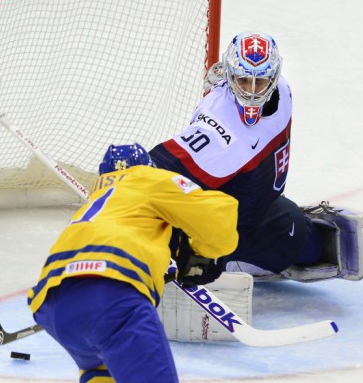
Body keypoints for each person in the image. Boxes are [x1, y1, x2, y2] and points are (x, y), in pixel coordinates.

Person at [149, 31, 363, 284]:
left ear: (273, 77)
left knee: (314, 248)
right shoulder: (218, 130)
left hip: (260, 204)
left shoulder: (282, 91)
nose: (252, 92)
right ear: (230, 77)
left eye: (259, 82)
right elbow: (155, 171)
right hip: (223, 224)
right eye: (242, 81)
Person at [27, 143, 239, 383]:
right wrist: (200, 253)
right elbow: (220, 217)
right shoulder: (148, 177)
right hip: (111, 298)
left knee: (101, 374)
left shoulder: (100, 198)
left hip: (52, 306)